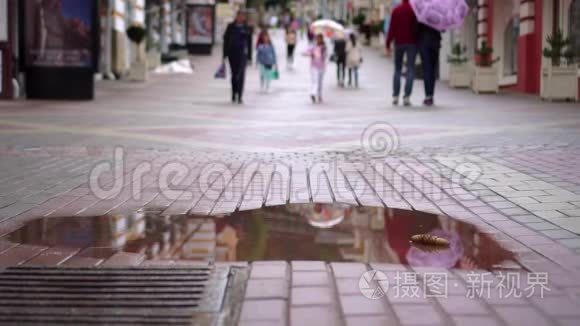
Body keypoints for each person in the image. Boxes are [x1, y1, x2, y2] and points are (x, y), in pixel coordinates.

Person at [386, 0, 418, 106]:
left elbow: (392, 28)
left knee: (397, 69)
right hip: (412, 43)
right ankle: (407, 97)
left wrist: (388, 43)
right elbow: (417, 28)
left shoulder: (396, 10)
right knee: (410, 69)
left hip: (399, 42)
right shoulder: (414, 10)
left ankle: (395, 96)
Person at [223, 11, 252, 104]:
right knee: (234, 74)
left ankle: (240, 95)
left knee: (241, 75)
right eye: (239, 16)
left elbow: (249, 43)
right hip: (232, 54)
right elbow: (225, 40)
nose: (240, 18)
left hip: (243, 54)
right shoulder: (230, 26)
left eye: (242, 16)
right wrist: (224, 54)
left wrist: (250, 57)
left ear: (244, 18)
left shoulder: (247, 28)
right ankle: (234, 92)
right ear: (236, 16)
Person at [417, 23, 442, 106]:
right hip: (435, 43)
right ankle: (431, 95)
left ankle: (428, 96)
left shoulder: (422, 15)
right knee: (432, 69)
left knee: (427, 69)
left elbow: (416, 28)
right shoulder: (437, 16)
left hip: (424, 42)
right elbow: (443, 29)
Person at [304, 34, 327, 103]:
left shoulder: (324, 47)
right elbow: (304, 52)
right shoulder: (313, 46)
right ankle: (313, 93)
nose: (319, 40)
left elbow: (326, 56)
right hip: (314, 67)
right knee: (315, 81)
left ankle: (319, 95)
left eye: (320, 38)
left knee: (320, 82)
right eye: (317, 38)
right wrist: (310, 54)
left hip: (322, 67)